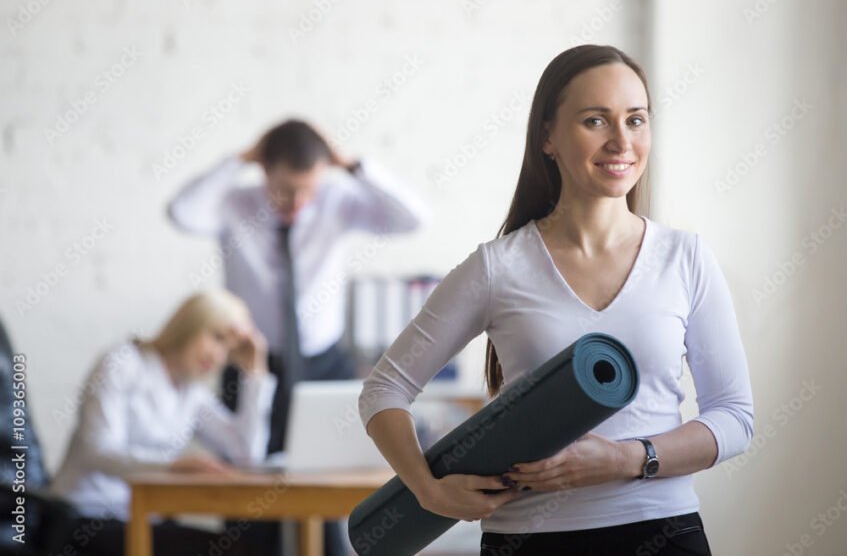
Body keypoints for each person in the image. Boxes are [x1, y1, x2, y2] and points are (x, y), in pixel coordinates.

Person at [358, 45, 754, 555]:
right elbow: (384, 389)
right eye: (596, 120)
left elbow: (734, 417)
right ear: (548, 137)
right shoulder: (498, 267)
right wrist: (427, 489)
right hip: (529, 540)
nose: (621, 141)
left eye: (636, 120)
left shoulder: (686, 257)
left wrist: (628, 459)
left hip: (664, 533)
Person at [168, 119, 429, 555]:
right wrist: (239, 160)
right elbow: (182, 212)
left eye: (308, 189)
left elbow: (414, 218)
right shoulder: (234, 202)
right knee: (247, 495)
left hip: (323, 362)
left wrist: (351, 164)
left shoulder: (337, 200)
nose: (297, 202)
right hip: (251, 362)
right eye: (286, 189)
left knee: (328, 485)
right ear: (265, 170)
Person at [50, 290, 275, 556]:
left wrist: (255, 374)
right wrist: (172, 467)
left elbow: (247, 454)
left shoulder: (192, 393)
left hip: (143, 518)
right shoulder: (122, 363)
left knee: (243, 548)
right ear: (190, 324)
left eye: (228, 349)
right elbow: (97, 451)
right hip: (87, 515)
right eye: (216, 338)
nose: (218, 356)